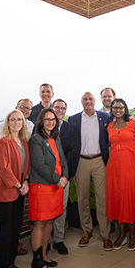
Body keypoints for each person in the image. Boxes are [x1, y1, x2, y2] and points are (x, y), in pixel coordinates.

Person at [67, 92, 113, 251]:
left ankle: (105, 234)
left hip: (100, 161)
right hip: (81, 162)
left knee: (103, 199)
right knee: (83, 199)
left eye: (90, 99)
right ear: (81, 102)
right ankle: (87, 231)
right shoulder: (73, 120)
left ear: (95, 101)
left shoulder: (104, 117)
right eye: (85, 99)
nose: (88, 102)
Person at [106, 98, 135, 251]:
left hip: (131, 166)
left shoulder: (133, 123)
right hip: (114, 166)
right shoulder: (110, 126)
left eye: (120, 107)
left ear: (125, 109)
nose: (117, 110)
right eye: (115, 107)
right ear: (111, 109)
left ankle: (132, 235)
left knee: (129, 198)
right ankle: (121, 234)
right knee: (117, 198)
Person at [0, 110, 31, 268]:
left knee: (16, 229)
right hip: (6, 191)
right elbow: (3, 168)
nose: (16, 122)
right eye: (13, 119)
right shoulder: (2, 142)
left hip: (20, 190)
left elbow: (27, 166)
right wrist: (17, 184)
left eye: (19, 120)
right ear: (7, 123)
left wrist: (26, 182)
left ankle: (10, 264)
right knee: (5, 231)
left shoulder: (24, 142)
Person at [29, 107, 68, 268]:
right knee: (40, 223)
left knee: (50, 221)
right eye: (47, 119)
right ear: (41, 121)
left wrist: (65, 176)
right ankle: (36, 261)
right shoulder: (36, 140)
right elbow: (39, 166)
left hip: (56, 187)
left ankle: (44, 255)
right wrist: (57, 179)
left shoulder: (56, 138)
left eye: (53, 119)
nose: (51, 122)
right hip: (42, 187)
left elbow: (62, 159)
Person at [49, 99, 80, 255]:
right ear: (51, 108)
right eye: (57, 107)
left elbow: (73, 151)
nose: (60, 110)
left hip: (63, 175)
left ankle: (58, 240)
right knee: (47, 209)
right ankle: (45, 241)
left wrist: (63, 174)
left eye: (63, 108)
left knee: (62, 208)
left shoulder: (70, 128)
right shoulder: (42, 127)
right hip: (46, 177)